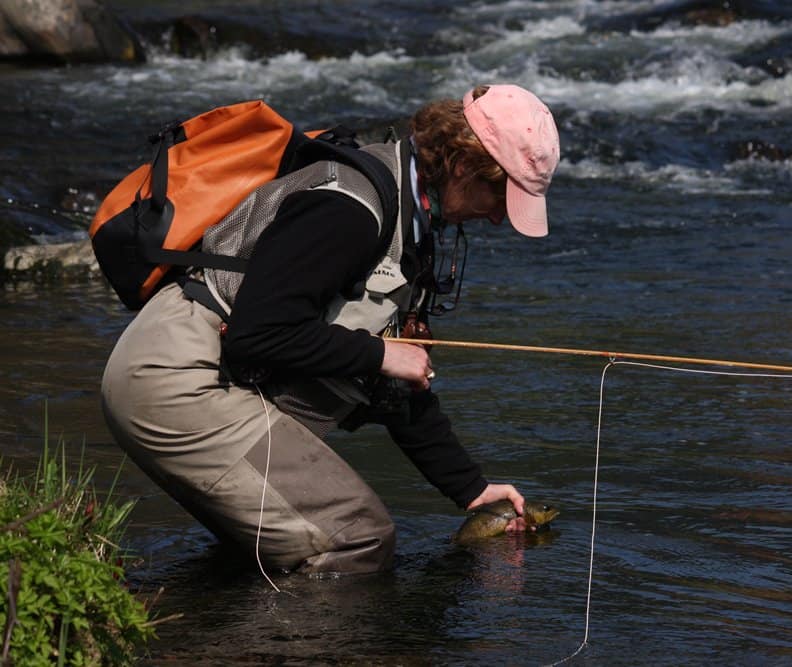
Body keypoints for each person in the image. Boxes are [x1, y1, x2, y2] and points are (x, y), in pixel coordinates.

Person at [100, 84, 561, 574]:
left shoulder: (413, 220)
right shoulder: (352, 210)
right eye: (500, 195)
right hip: (176, 381)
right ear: (465, 165)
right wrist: (380, 355)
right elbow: (260, 330)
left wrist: (470, 488)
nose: (498, 217)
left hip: (206, 380)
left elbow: (395, 388)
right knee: (356, 538)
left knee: (267, 554)